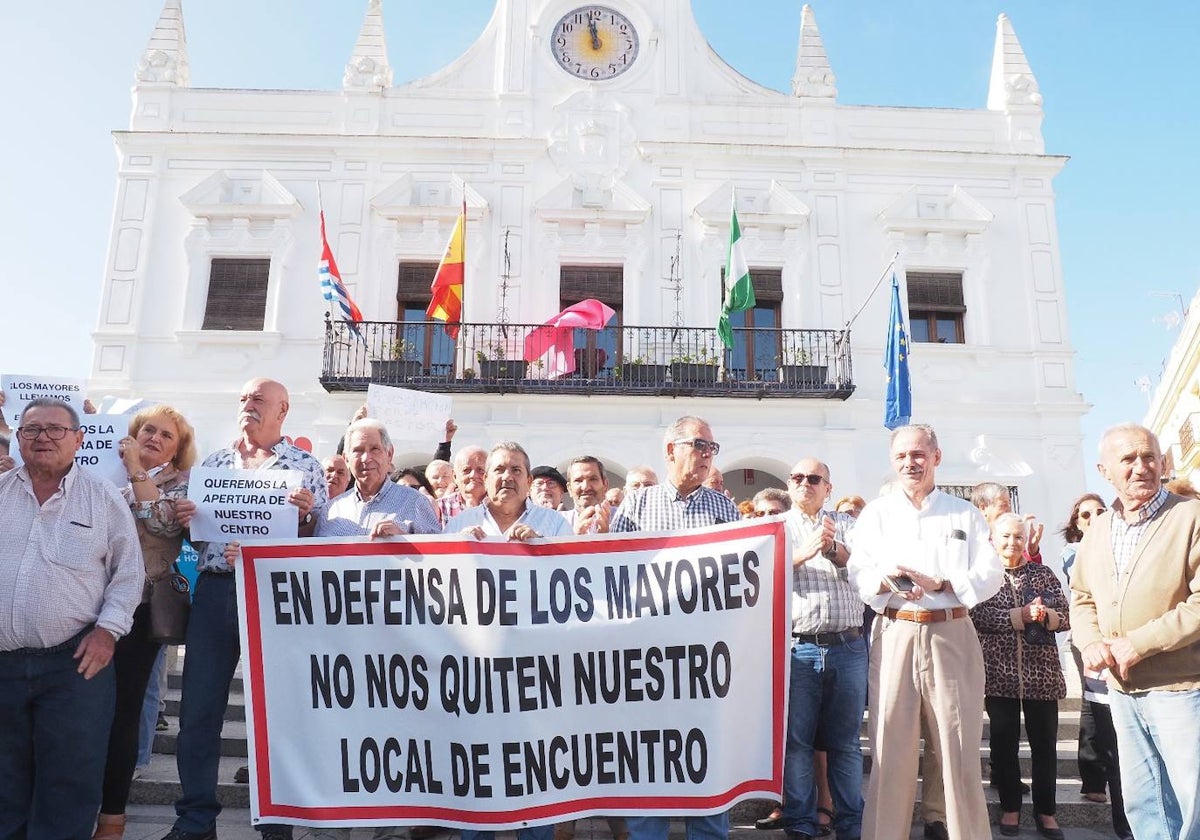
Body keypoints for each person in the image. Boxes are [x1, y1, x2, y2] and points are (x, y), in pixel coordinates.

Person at [164, 378, 327, 840]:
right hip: (216, 594)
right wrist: (184, 519)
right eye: (242, 399)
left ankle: (277, 825)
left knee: (277, 713)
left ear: (283, 409)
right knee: (198, 711)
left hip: (274, 596)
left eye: (258, 399)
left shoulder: (305, 467)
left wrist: (308, 515)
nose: (247, 406)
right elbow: (195, 539)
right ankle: (194, 819)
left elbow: (321, 538)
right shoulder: (214, 465)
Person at [847, 424, 1002, 840]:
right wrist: (885, 579)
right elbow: (858, 569)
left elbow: (990, 573)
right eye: (900, 456)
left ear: (936, 457)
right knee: (889, 751)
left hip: (951, 633)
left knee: (959, 751)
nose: (909, 463)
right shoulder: (876, 514)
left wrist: (942, 583)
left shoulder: (964, 512)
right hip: (895, 630)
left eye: (917, 454)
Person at [0, 398, 144, 840]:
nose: (42, 437)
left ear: (79, 439)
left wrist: (108, 630)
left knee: (69, 782)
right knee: (5, 784)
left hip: (76, 665)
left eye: (55, 429)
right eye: (32, 430)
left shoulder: (102, 497)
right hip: (4, 666)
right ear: (17, 439)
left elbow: (129, 572)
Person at [610, 415, 739, 840]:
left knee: (708, 754)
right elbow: (611, 576)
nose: (706, 455)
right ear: (670, 450)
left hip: (704, 660)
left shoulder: (723, 508)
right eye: (699, 445)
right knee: (650, 754)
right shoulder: (637, 505)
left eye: (711, 449)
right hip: (647, 658)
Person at [1071, 424, 1200, 840]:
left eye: (1149, 457)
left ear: (1163, 463)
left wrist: (1138, 644)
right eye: (1127, 459)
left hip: (1182, 689)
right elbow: (1082, 597)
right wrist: (1090, 641)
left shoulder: (1190, 516)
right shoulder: (1098, 531)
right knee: (1144, 807)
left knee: (1193, 804)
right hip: (1123, 693)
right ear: (1104, 470)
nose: (1140, 467)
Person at [92, 406, 198, 840]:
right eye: (147, 430)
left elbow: (158, 521)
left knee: (122, 711)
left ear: (178, 449)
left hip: (139, 610)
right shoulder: (98, 470)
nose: (154, 438)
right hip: (83, 605)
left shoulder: (186, 486)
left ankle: (112, 817)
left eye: (166, 435)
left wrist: (135, 468)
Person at [775, 460, 863, 840]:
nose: (805, 484)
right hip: (799, 649)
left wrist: (835, 552)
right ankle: (799, 823)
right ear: (789, 485)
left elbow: (868, 572)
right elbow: (760, 572)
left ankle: (850, 824)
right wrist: (800, 554)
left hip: (847, 645)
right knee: (797, 743)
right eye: (797, 478)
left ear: (829, 488)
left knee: (845, 744)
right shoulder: (775, 527)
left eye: (814, 479)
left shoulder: (851, 526)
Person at [970, 513, 1069, 838]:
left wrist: (1048, 616)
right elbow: (979, 614)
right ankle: (1010, 806)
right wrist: (1021, 615)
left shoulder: (1042, 574)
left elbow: (1066, 615)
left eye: (1017, 536)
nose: (1012, 542)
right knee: (1003, 743)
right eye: (1006, 536)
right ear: (993, 540)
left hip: (1041, 673)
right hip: (999, 675)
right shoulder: (985, 577)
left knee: (1044, 746)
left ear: (1025, 540)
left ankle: (1047, 811)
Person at [317, 420, 441, 539]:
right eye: (358, 451)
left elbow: (438, 555)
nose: (366, 458)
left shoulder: (416, 503)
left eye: (375, 449)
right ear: (346, 458)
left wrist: (404, 540)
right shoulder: (330, 510)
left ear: (389, 454)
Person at [448, 443, 572, 539]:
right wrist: (459, 546)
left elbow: (571, 564)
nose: (507, 477)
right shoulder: (459, 524)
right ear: (486, 479)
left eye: (516, 470)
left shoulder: (555, 523)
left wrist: (541, 546)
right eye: (499, 470)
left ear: (529, 481)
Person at [971, 481, 1044, 563]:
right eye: (1003, 505)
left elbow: (1031, 573)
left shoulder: (1015, 537)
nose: (1009, 510)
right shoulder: (972, 540)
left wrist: (1032, 551)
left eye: (1010, 504)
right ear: (983, 508)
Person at [435, 445, 487, 526]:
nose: (473, 475)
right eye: (466, 470)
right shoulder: (440, 508)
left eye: (480, 470)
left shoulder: (501, 507)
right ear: (455, 476)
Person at [564, 455, 611, 534]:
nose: (586, 487)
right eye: (578, 481)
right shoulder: (558, 522)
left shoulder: (621, 518)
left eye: (593, 479)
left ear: (605, 485)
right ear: (569, 489)